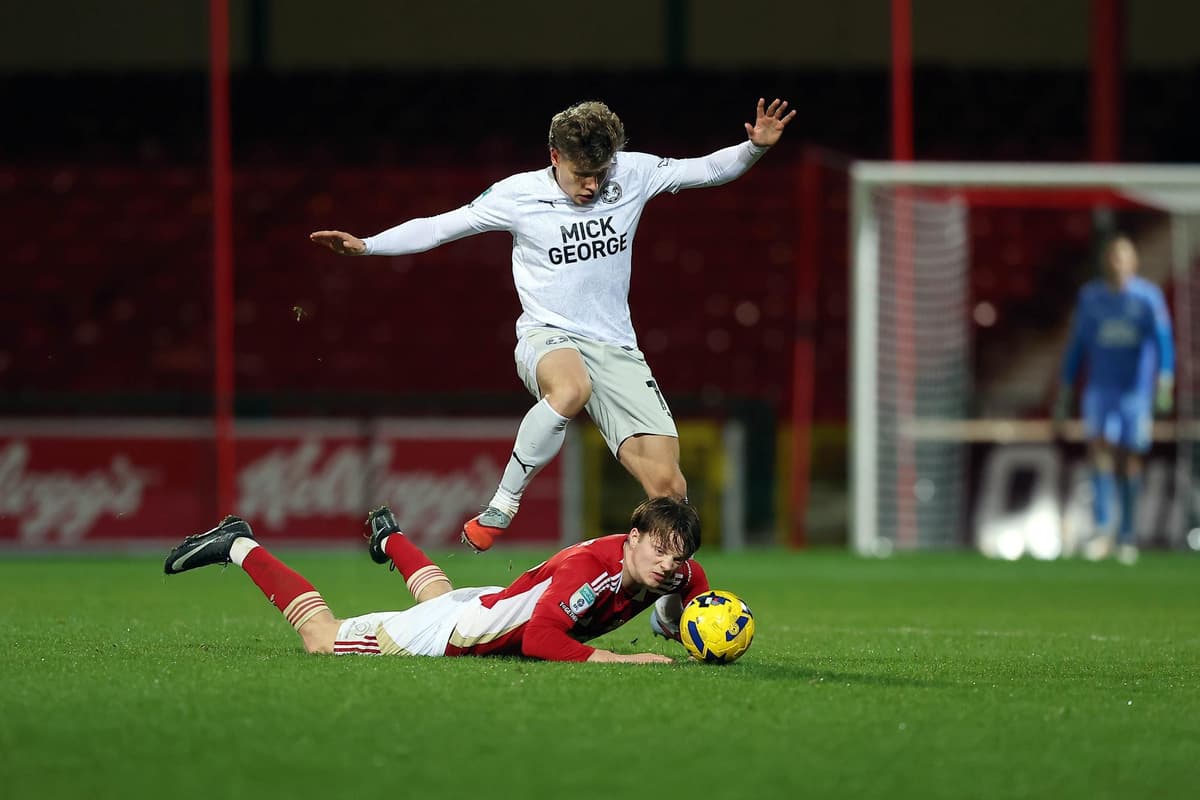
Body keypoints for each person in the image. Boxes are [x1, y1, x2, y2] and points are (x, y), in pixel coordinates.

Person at [310, 98, 795, 552]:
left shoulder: (633, 173)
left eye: (600, 174)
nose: (592, 185)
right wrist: (367, 245)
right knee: (570, 388)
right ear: (554, 156)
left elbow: (708, 169)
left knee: (670, 490)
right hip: (548, 334)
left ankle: (668, 610)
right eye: (582, 174)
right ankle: (502, 506)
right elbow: (441, 226)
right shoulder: (517, 194)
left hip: (617, 347)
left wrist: (754, 148)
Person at [163, 496, 708, 663]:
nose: (669, 566)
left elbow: (697, 589)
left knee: (441, 599)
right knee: (322, 639)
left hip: (489, 607)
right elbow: (541, 640)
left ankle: (387, 540)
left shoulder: (675, 568)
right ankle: (237, 543)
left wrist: (695, 623)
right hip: (456, 633)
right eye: (658, 550)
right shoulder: (589, 573)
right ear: (632, 536)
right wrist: (622, 659)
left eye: (676, 558)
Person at [1054, 233, 1175, 564]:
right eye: (1112, 257)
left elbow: (1164, 342)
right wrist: (1065, 389)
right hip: (1100, 389)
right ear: (1105, 262)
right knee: (1100, 452)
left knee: (1128, 460)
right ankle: (1102, 530)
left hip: (1135, 393)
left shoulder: (1148, 299)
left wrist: (1165, 381)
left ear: (1133, 263)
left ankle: (1127, 534)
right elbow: (1076, 346)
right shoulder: (1090, 298)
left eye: (1123, 257)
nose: (1117, 263)